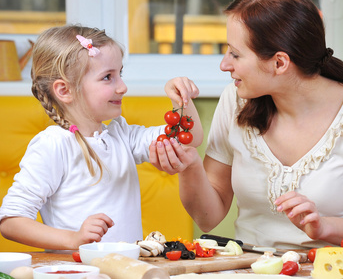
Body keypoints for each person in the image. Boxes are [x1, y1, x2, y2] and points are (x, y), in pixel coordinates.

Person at [149, 0, 343, 249]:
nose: (224, 65)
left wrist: (325, 227)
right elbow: (208, 218)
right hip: (248, 268)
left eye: (235, 54)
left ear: (280, 63)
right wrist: (189, 166)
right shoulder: (234, 102)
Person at [0, 25, 203, 251]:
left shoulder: (122, 135)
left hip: (125, 271)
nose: (123, 87)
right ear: (65, 91)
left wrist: (181, 99)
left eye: (120, 74)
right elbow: (11, 221)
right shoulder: (52, 145)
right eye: (108, 77)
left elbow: (189, 139)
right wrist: (73, 239)